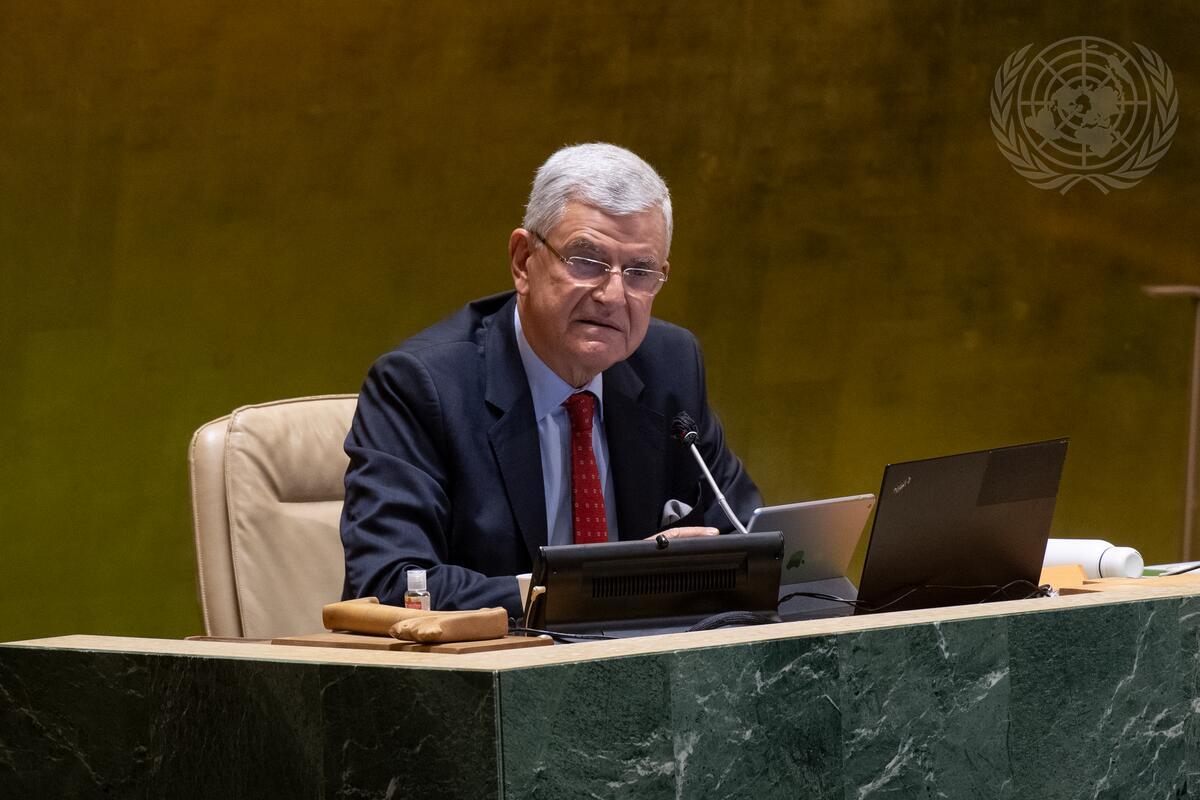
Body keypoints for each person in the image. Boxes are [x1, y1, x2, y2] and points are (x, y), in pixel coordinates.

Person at [340, 143, 761, 617]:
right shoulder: (421, 387)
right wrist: (597, 586)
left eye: (640, 272)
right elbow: (391, 582)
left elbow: (750, 540)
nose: (613, 295)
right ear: (523, 261)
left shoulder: (670, 365)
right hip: (495, 661)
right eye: (586, 261)